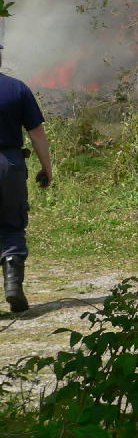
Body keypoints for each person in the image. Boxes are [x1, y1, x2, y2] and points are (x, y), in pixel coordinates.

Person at [0, 45, 53, 313]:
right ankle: (12, 286)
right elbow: (37, 134)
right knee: (12, 222)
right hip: (10, 165)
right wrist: (47, 168)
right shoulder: (17, 88)